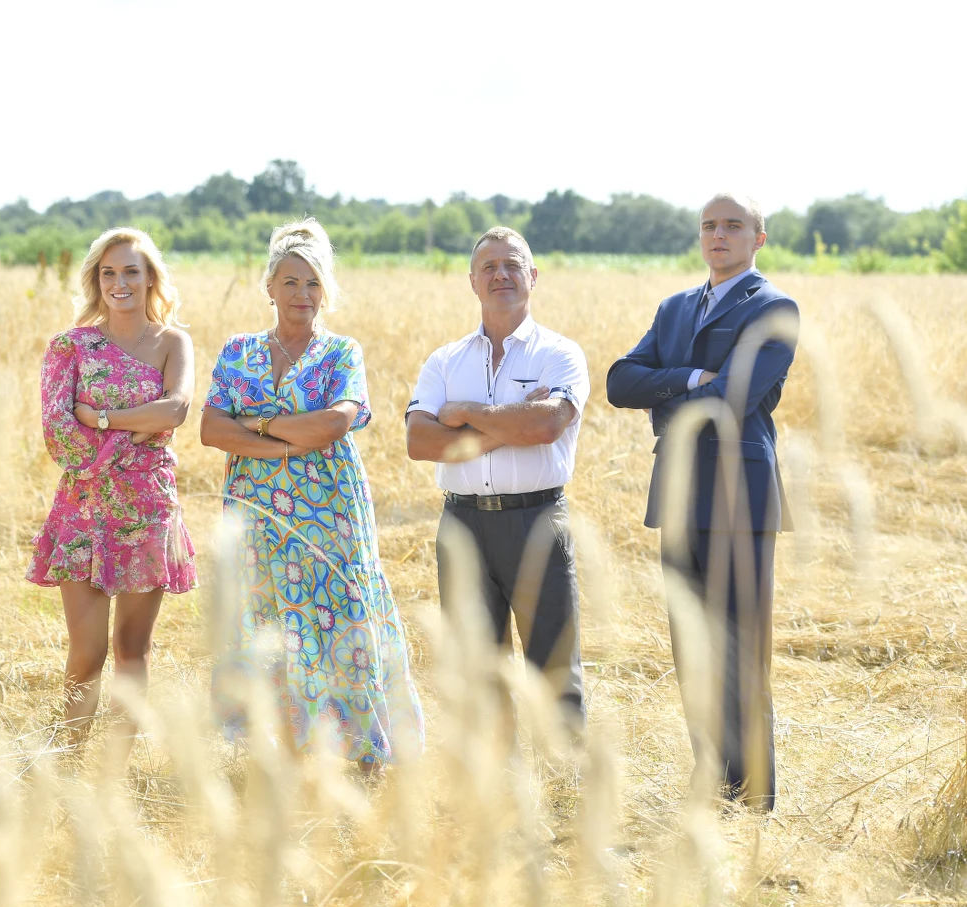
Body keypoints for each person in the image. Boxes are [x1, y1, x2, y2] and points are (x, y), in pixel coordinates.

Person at [200, 219, 424, 771]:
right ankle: (277, 748)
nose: (303, 295)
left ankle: (363, 747)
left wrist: (255, 426)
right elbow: (210, 430)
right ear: (270, 287)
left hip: (330, 512)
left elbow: (334, 425)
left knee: (338, 614)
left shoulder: (342, 352)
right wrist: (287, 437)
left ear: (327, 291)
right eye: (292, 282)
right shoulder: (238, 351)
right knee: (266, 617)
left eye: (314, 284)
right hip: (254, 514)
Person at [606, 193, 798, 811]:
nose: (719, 235)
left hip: (741, 496)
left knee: (742, 646)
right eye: (710, 225)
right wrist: (688, 380)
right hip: (681, 493)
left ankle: (756, 795)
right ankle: (711, 778)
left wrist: (662, 399)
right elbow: (618, 382)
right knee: (691, 644)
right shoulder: (675, 308)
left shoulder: (774, 308)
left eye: (732, 225)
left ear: (757, 237)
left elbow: (735, 400)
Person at [405, 227, 589, 732]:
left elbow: (546, 424)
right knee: (475, 669)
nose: (501, 275)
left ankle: (565, 798)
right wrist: (504, 427)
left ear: (533, 276)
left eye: (512, 265)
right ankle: (495, 800)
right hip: (462, 524)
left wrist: (464, 415)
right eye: (488, 267)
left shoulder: (560, 354)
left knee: (552, 669)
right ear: (472, 281)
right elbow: (419, 442)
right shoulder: (444, 361)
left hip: (537, 521)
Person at [27, 227, 196, 746]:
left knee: (131, 651)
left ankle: (114, 775)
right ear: (96, 281)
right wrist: (135, 429)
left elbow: (177, 409)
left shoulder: (173, 342)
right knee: (87, 651)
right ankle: (67, 756)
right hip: (83, 506)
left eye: (130, 271)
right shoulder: (70, 346)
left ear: (150, 280)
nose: (119, 283)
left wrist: (99, 418)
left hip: (148, 508)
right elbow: (58, 435)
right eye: (108, 273)